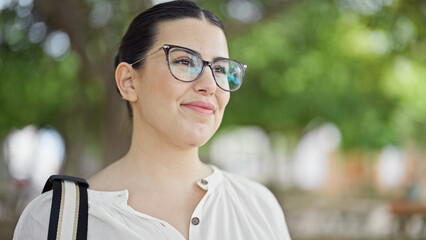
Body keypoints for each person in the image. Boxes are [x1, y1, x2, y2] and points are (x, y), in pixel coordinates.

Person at [13, 1, 291, 239]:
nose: (210, 85)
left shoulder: (258, 206)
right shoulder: (53, 219)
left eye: (220, 69)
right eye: (184, 61)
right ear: (129, 82)